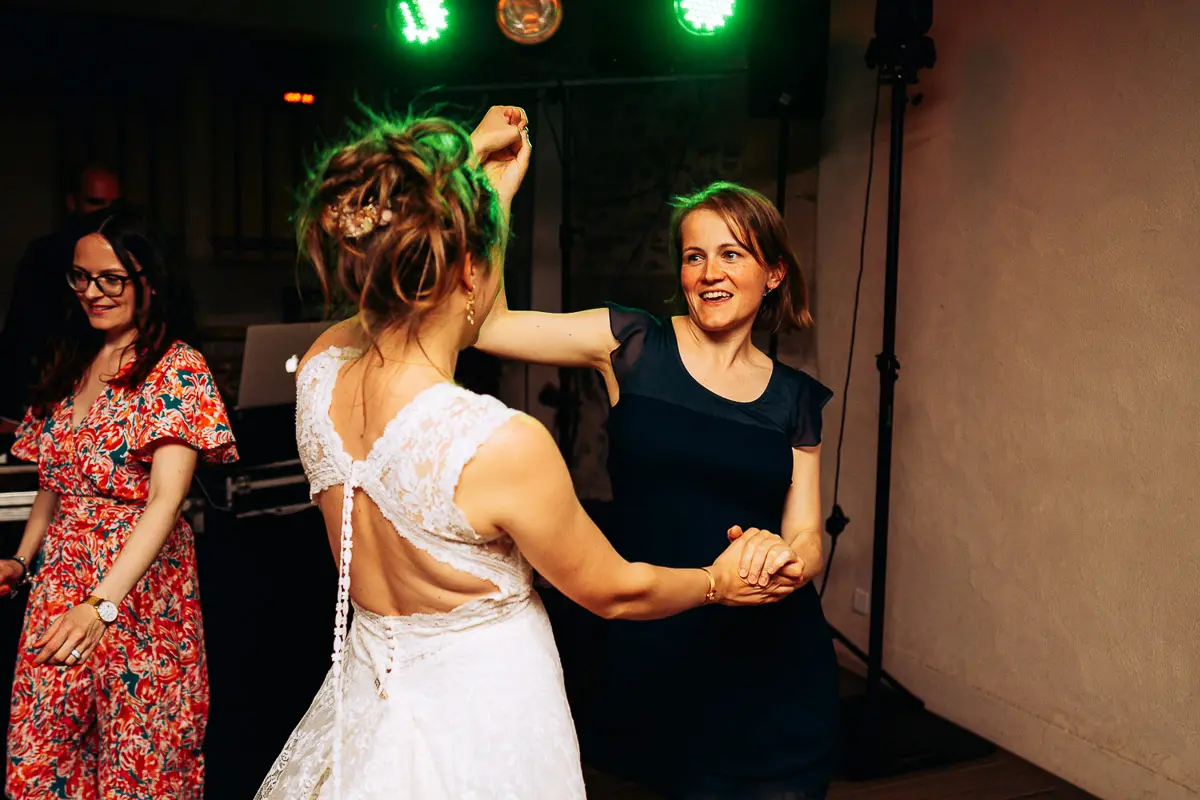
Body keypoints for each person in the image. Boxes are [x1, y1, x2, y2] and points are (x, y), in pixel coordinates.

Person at [254, 107, 806, 800]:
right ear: (469, 270)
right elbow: (612, 589)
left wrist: (469, 178)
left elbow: (382, 279)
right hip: (486, 718)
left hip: (369, 706)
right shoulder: (497, 442)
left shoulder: (317, 375)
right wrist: (716, 584)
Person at [474, 160, 841, 795]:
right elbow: (486, 326)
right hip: (656, 651)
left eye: (731, 254)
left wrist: (788, 558)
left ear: (774, 273)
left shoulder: (794, 398)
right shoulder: (630, 342)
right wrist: (499, 200)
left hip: (775, 667)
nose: (710, 272)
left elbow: (807, 532)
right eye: (695, 256)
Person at [0, 207, 237, 799]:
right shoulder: (71, 360)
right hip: (59, 592)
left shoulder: (176, 370)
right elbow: (56, 482)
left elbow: (165, 501)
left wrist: (100, 606)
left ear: (148, 282)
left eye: (111, 279)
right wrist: (22, 560)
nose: (92, 293)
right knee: (43, 763)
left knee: (143, 771)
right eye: (81, 278)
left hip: (141, 601)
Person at [0, 163, 122, 429]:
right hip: (51, 401)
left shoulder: (132, 255)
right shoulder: (45, 257)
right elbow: (20, 337)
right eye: (95, 202)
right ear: (72, 202)